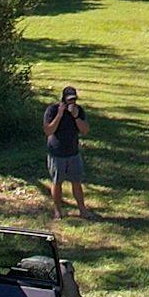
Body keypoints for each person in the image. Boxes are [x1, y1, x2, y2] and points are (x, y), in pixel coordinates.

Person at [42, 85, 91, 218]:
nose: (72, 102)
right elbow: (48, 131)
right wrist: (59, 114)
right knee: (57, 182)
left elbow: (85, 130)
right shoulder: (52, 110)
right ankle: (57, 210)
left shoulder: (78, 110)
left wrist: (76, 117)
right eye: (69, 100)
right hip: (57, 153)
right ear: (63, 99)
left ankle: (82, 209)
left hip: (73, 152)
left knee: (77, 182)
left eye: (74, 99)